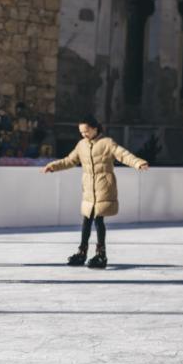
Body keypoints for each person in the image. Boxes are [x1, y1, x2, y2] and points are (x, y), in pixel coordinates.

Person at [41, 114, 149, 268]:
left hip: (103, 186)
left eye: (86, 131)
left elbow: (123, 154)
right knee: (86, 220)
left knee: (98, 220)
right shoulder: (81, 145)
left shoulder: (107, 143)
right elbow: (69, 160)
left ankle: (101, 254)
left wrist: (138, 163)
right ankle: (82, 252)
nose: (84, 134)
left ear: (95, 128)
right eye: (81, 132)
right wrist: (53, 166)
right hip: (88, 188)